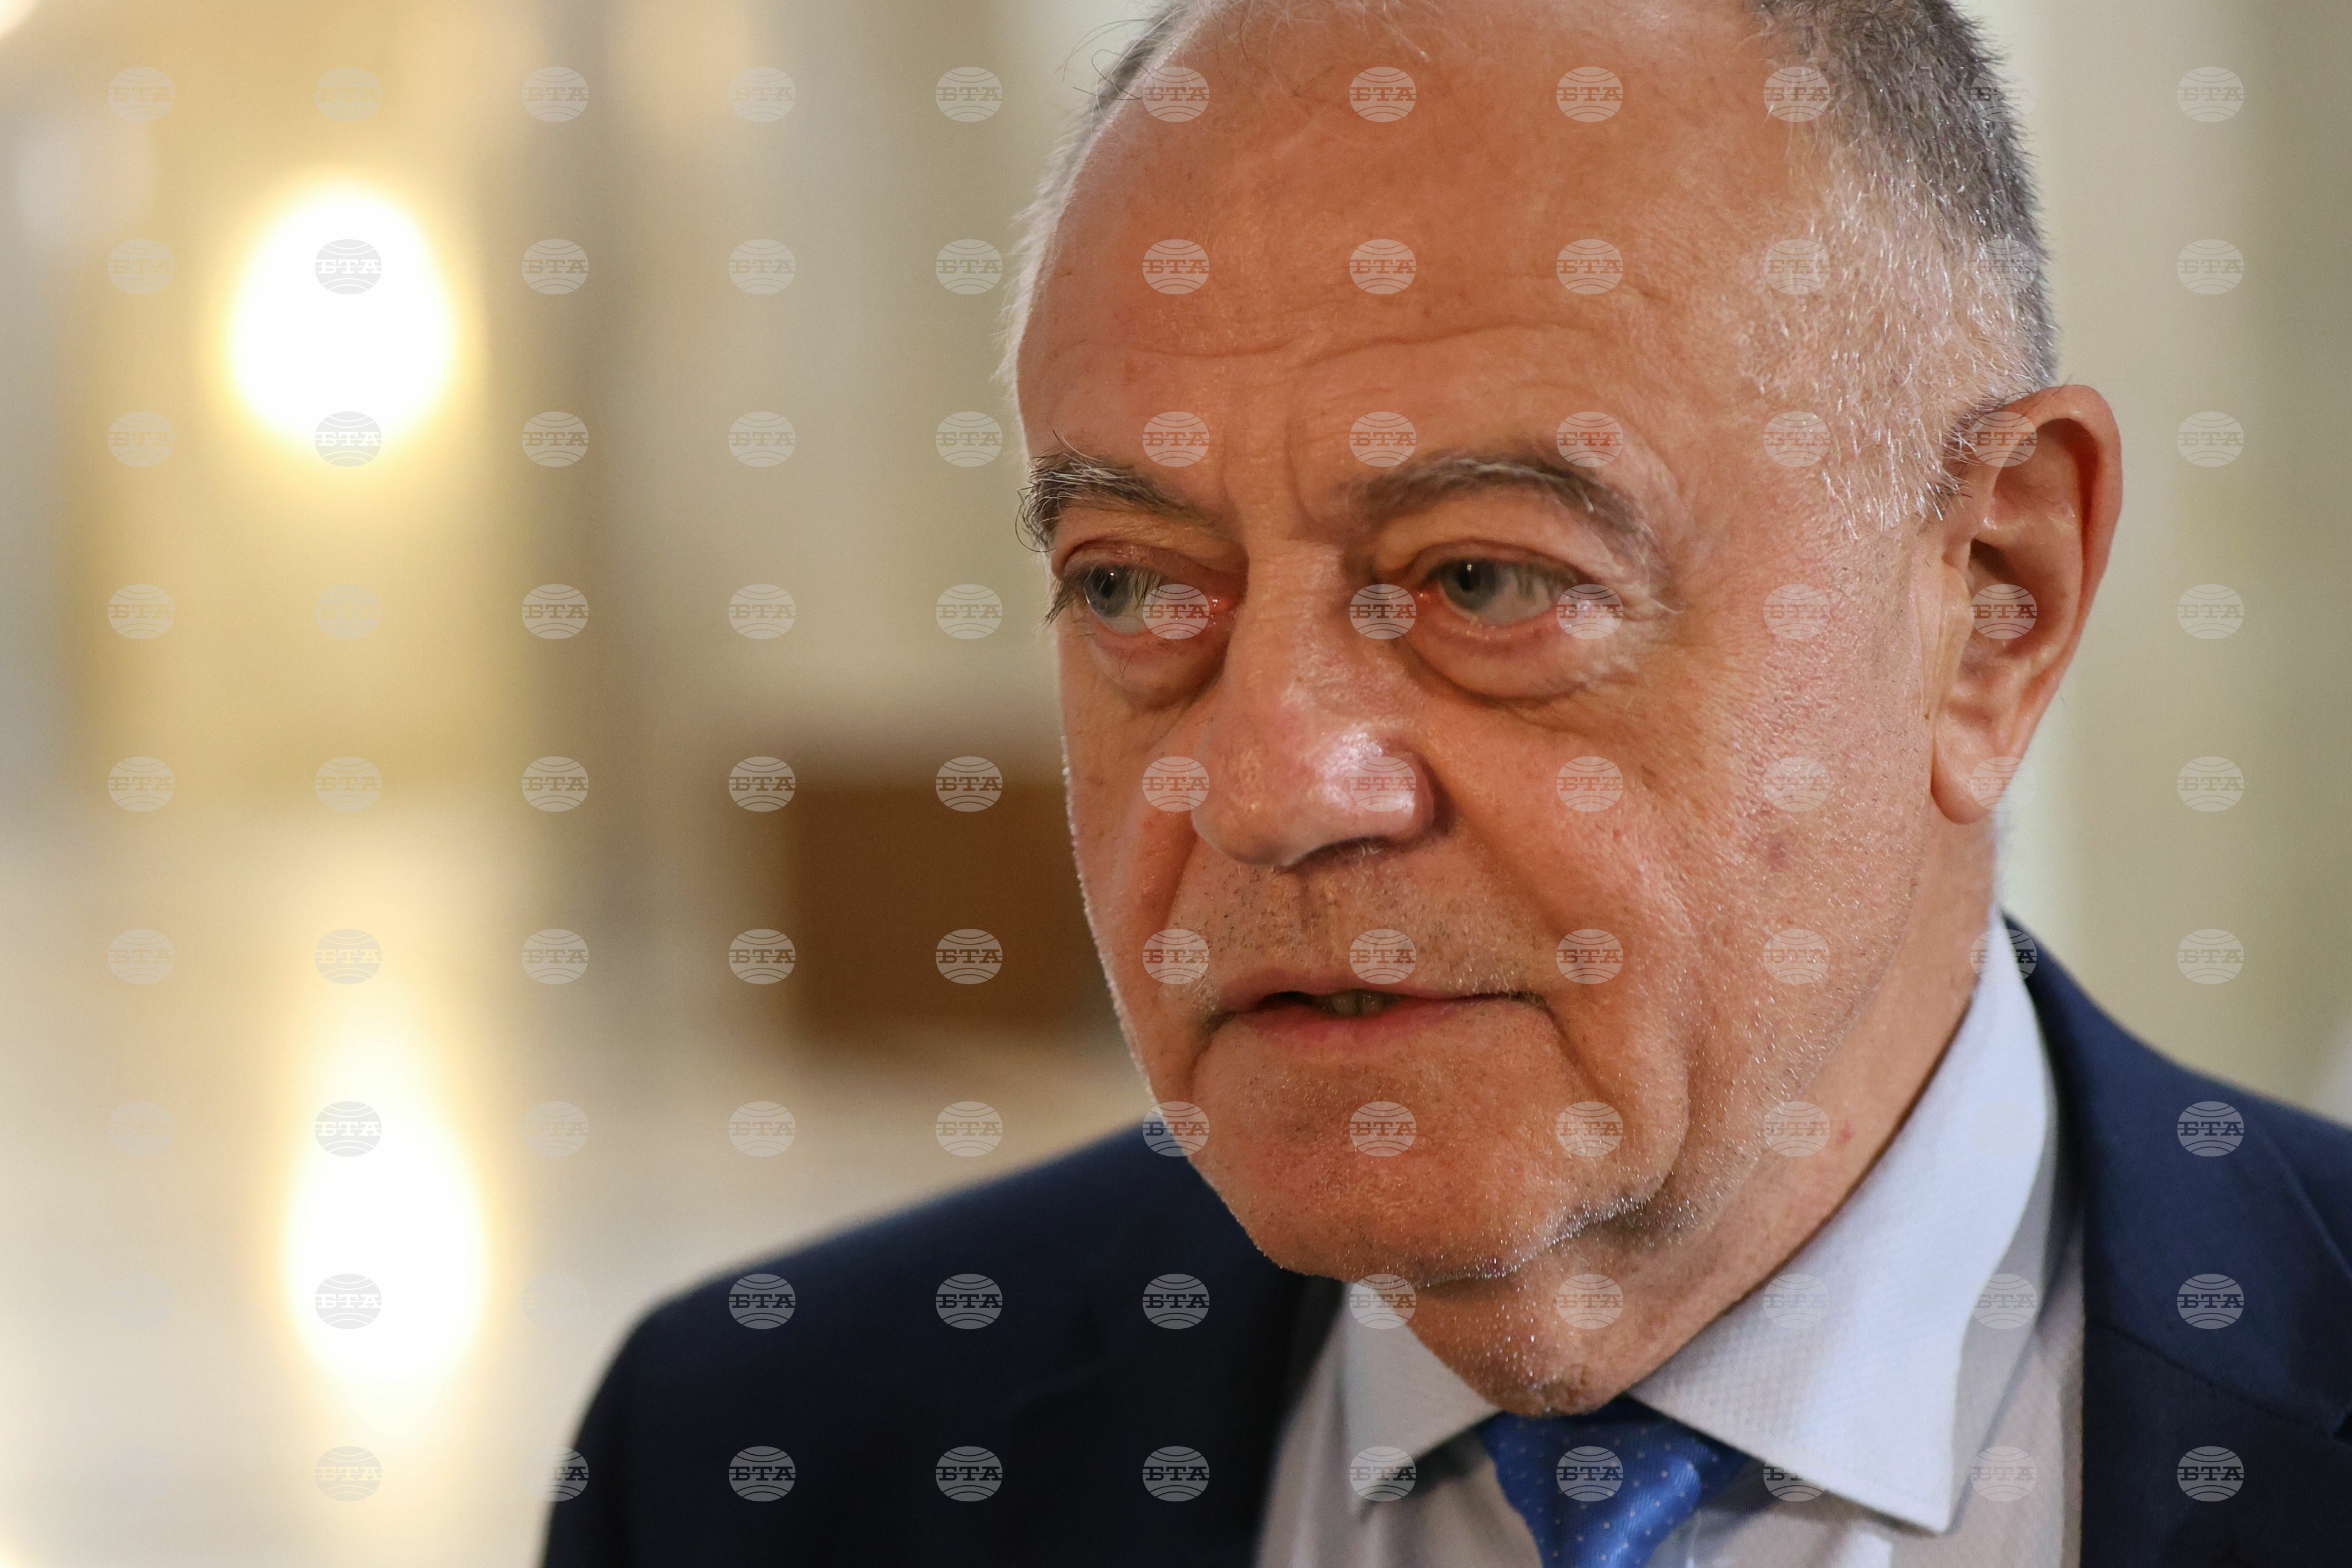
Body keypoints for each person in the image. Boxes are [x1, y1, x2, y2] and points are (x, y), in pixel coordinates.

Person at [543, 1, 2352, 1563]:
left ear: (1991, 606)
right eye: (1134, 588)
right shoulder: (761, 1459)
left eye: (1484, 580)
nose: (1269, 788)